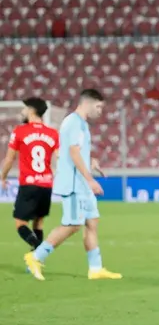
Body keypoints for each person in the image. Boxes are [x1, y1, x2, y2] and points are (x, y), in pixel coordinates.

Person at [23, 89, 120, 282]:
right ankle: (35, 257)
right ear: (88, 103)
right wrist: (90, 179)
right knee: (73, 225)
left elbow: (77, 152)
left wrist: (91, 163)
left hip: (82, 183)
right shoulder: (74, 122)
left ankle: (95, 268)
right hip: (75, 184)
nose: (101, 111)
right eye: (99, 106)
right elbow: (73, 153)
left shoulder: (81, 124)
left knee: (92, 222)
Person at [0, 98, 58, 254]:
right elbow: (59, 158)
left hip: (29, 184)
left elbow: (10, 158)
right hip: (46, 184)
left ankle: (39, 250)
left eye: (25, 108)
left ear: (32, 110)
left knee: (20, 223)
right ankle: (36, 261)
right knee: (38, 223)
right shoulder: (52, 133)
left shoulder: (20, 131)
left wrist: (2, 177)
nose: (22, 111)